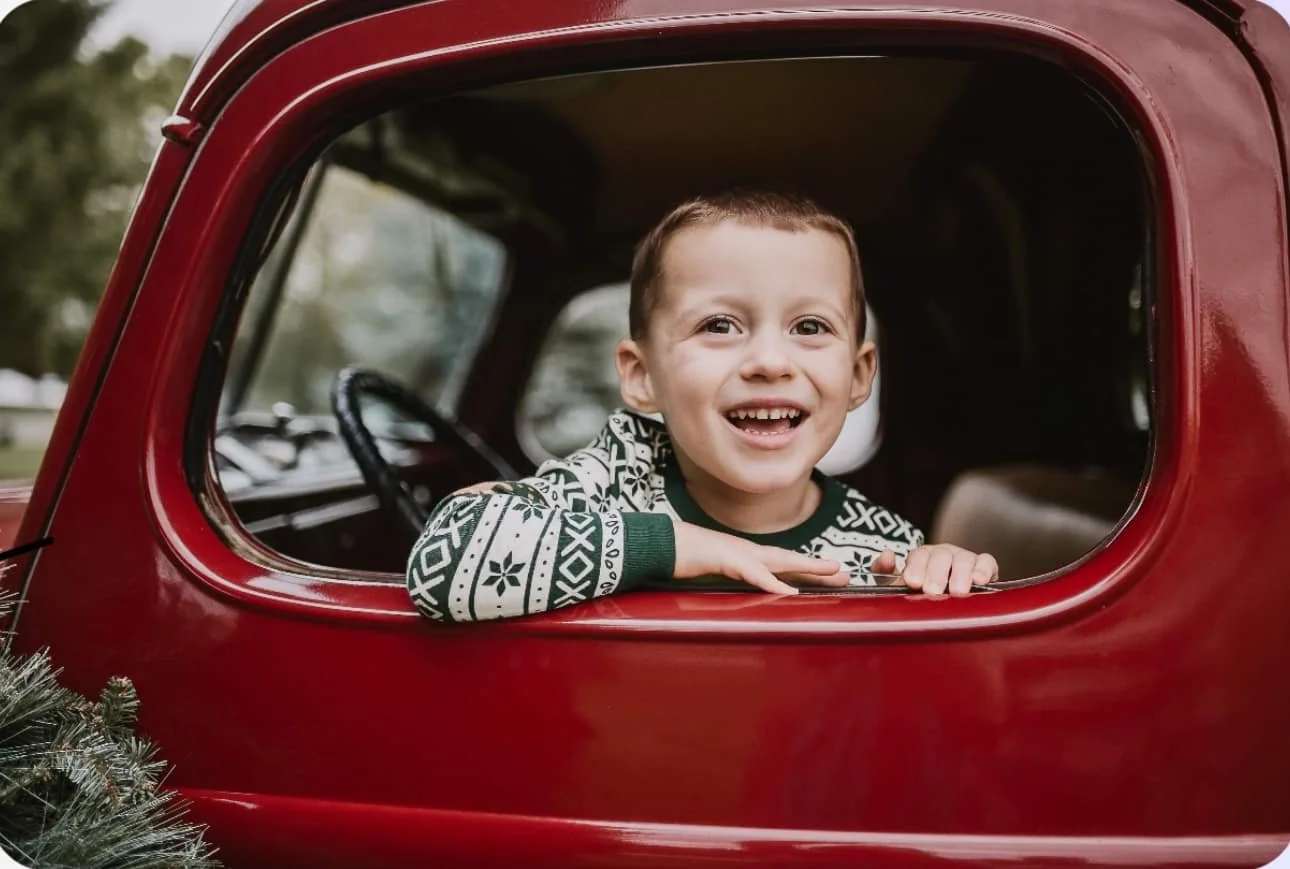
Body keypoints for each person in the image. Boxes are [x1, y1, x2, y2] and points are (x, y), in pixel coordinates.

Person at [407, 188, 998, 622]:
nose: (770, 361)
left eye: (809, 326)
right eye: (719, 325)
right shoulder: (616, 476)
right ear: (642, 377)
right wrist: (678, 546)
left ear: (859, 375)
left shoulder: (881, 546)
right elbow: (443, 561)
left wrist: (944, 574)